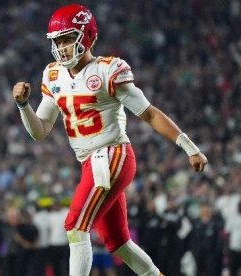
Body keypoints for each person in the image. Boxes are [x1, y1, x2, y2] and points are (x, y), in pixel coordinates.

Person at [12, 3, 208, 276]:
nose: (62, 47)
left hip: (112, 154)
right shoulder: (52, 74)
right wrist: (24, 106)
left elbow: (149, 114)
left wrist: (189, 147)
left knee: (75, 226)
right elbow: (40, 131)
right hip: (90, 162)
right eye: (58, 41)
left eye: (68, 38)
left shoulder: (107, 70)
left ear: (87, 35)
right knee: (118, 242)